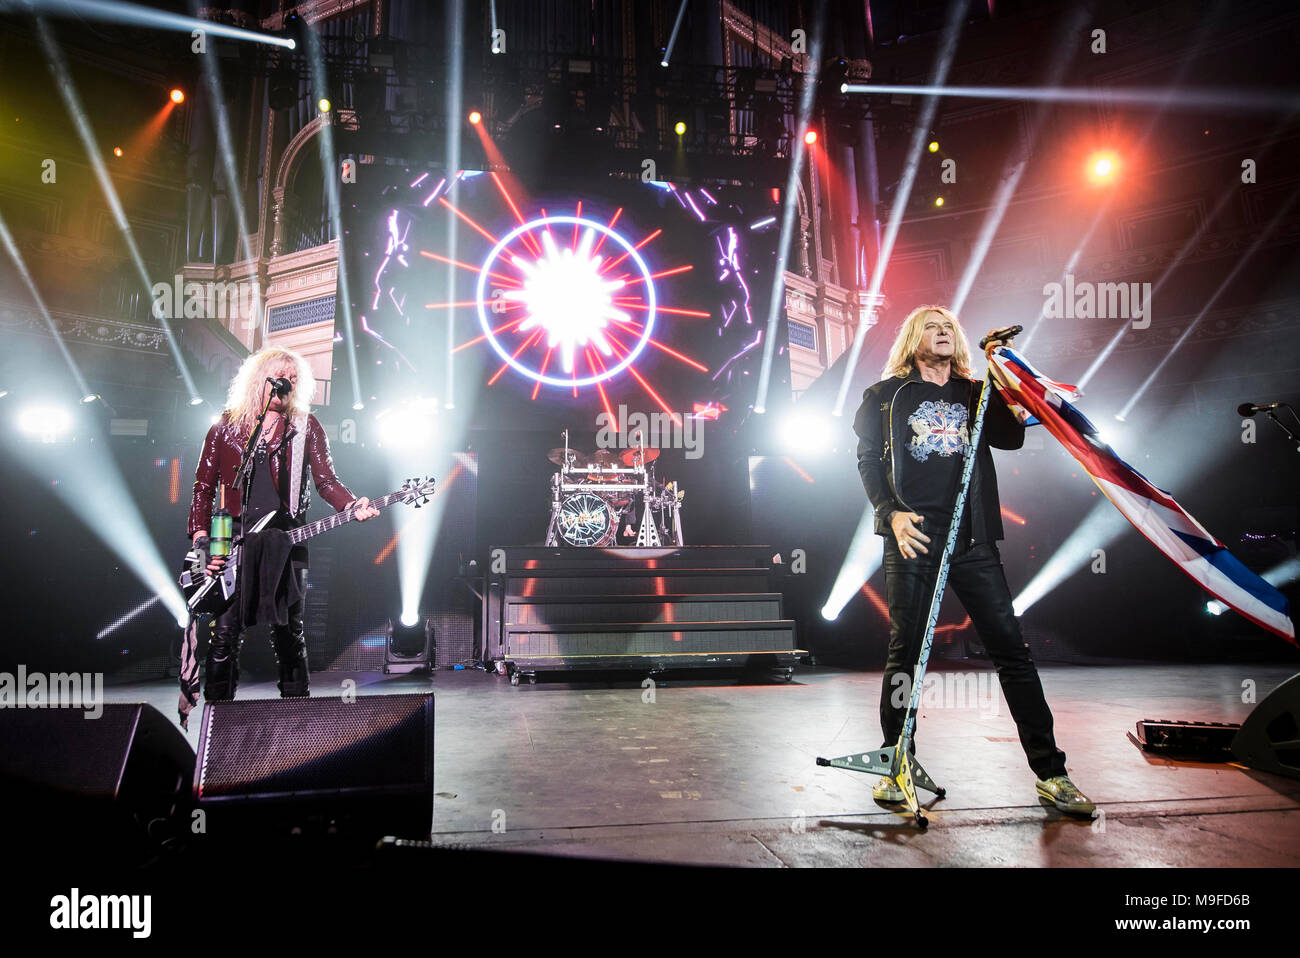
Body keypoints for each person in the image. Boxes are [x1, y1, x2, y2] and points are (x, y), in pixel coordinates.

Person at [851, 305, 1095, 816]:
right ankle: (897, 765)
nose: (942, 333)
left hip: (972, 538)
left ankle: (1052, 773)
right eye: (932, 326)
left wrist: (1002, 379)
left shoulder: (975, 393)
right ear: (914, 338)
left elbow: (1011, 438)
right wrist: (890, 514)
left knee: (1011, 650)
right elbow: (868, 462)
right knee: (907, 652)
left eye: (949, 328)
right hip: (914, 534)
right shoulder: (884, 396)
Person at [187, 346, 378, 703]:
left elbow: (326, 481)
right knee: (224, 633)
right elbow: (204, 486)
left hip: (286, 540)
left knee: (289, 632)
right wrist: (202, 541)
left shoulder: (306, 428)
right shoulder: (226, 426)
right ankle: (217, 719)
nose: (286, 384)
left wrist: (351, 505)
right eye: (279, 378)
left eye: (293, 380)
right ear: (260, 382)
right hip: (234, 543)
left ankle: (296, 713)